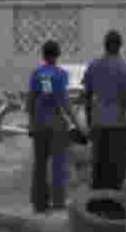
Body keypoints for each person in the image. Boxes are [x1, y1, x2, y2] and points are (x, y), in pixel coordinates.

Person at [82, 30, 126, 191]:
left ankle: (96, 207)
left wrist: (89, 122)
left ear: (105, 46)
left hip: (98, 124)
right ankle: (114, 207)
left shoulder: (93, 66)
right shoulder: (124, 68)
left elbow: (87, 96)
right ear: (119, 46)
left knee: (99, 168)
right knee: (117, 170)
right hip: (117, 125)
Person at [27, 40, 84, 214]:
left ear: (43, 56)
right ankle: (58, 201)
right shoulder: (60, 74)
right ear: (57, 55)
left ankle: (39, 203)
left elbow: (31, 100)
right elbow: (63, 101)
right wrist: (77, 123)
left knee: (40, 164)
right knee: (58, 163)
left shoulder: (36, 74)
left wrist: (31, 122)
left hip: (39, 124)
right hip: (56, 125)